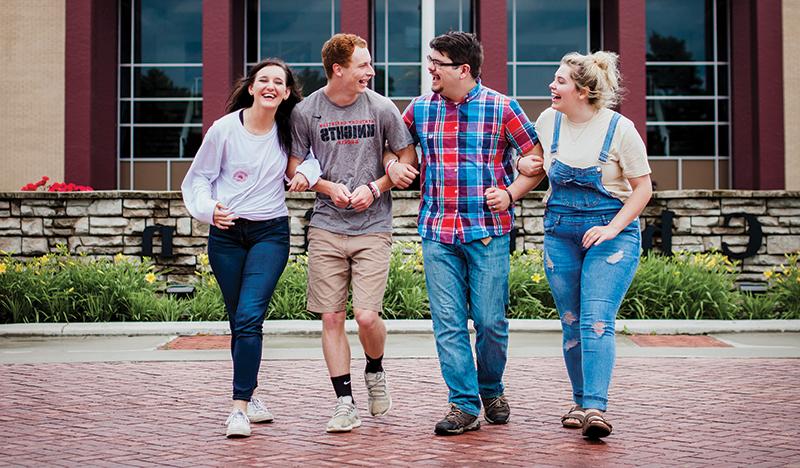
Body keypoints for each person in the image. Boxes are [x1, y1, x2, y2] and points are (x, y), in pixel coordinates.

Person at [393, 31, 543, 436]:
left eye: (436, 63)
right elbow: (394, 147)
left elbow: (536, 158)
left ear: (463, 69)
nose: (430, 70)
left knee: (491, 321)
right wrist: (394, 166)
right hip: (437, 232)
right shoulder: (420, 109)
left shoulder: (502, 107)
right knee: (448, 322)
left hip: (488, 233)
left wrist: (511, 193)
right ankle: (463, 404)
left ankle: (491, 389)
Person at [181, 58, 320, 438]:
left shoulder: (289, 129)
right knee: (238, 320)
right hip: (226, 237)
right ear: (252, 87)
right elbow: (197, 180)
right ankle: (253, 394)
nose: (271, 86)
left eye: (279, 81)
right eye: (264, 80)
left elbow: (311, 160)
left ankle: (238, 408)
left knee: (248, 317)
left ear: (287, 92)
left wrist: (306, 175)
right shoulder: (225, 130)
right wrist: (210, 211)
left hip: (269, 234)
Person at [519, 51, 653, 439]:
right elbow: (534, 162)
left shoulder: (620, 129)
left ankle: (596, 406)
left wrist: (611, 228)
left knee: (596, 319)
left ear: (583, 91)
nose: (551, 86)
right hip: (560, 232)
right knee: (572, 321)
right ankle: (579, 402)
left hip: (611, 235)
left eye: (560, 81)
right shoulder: (548, 121)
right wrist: (518, 173)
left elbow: (643, 187)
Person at [287, 33, 417, 433]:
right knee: (331, 317)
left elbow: (406, 157)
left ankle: (375, 369)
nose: (370, 71)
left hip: (373, 226)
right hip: (326, 224)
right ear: (337, 69)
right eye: (363, 65)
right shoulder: (306, 112)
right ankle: (344, 402)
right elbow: (294, 169)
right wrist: (327, 187)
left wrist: (376, 186)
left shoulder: (381, 108)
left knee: (365, 316)